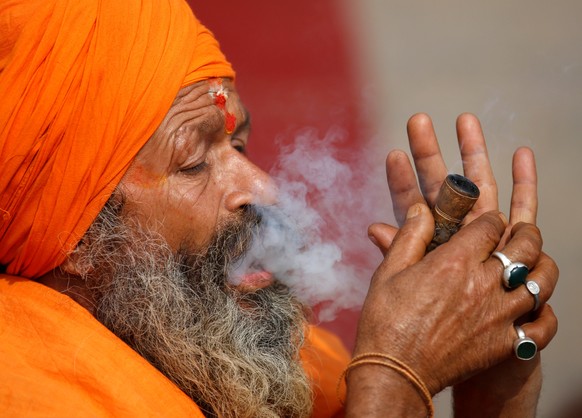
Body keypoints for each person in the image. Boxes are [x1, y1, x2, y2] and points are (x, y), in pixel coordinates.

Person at [0, 0, 558, 417]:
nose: (263, 188)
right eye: (194, 162)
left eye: (238, 145)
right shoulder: (27, 389)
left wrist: (489, 390)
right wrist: (394, 378)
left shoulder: (312, 371)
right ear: (77, 234)